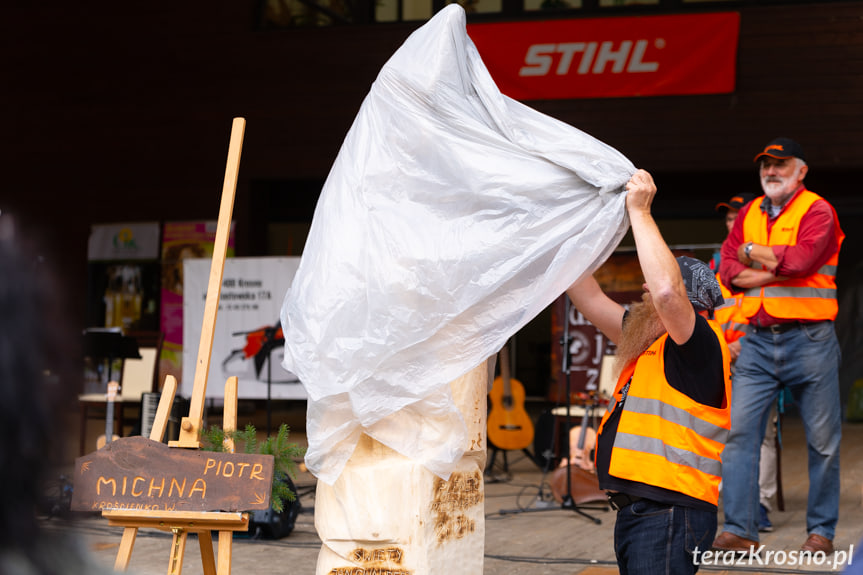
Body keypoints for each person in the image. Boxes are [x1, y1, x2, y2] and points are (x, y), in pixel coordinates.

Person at [566, 169, 731, 574]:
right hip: (640, 512)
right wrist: (561, 231)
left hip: (670, 512)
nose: (643, 296)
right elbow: (586, 294)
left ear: (689, 305)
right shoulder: (648, 343)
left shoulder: (700, 344)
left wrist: (639, 211)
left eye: (649, 293)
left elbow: (665, 292)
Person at [712, 138, 844, 555]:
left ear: (800, 171)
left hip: (811, 341)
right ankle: (739, 531)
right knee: (739, 438)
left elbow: (805, 261)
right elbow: (729, 267)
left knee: (823, 442)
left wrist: (755, 257)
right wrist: (772, 266)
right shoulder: (750, 211)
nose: (770, 171)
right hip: (755, 343)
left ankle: (821, 533)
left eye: (780, 164)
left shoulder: (818, 210)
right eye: (765, 165)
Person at [713, 192, 779, 533]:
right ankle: (730, 499)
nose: (731, 223)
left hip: (761, 354)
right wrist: (725, 345)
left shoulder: (770, 261)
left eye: (737, 217)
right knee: (726, 431)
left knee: (763, 434)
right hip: (724, 360)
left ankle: (761, 503)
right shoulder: (714, 265)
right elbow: (703, 313)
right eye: (727, 218)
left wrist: (747, 344)